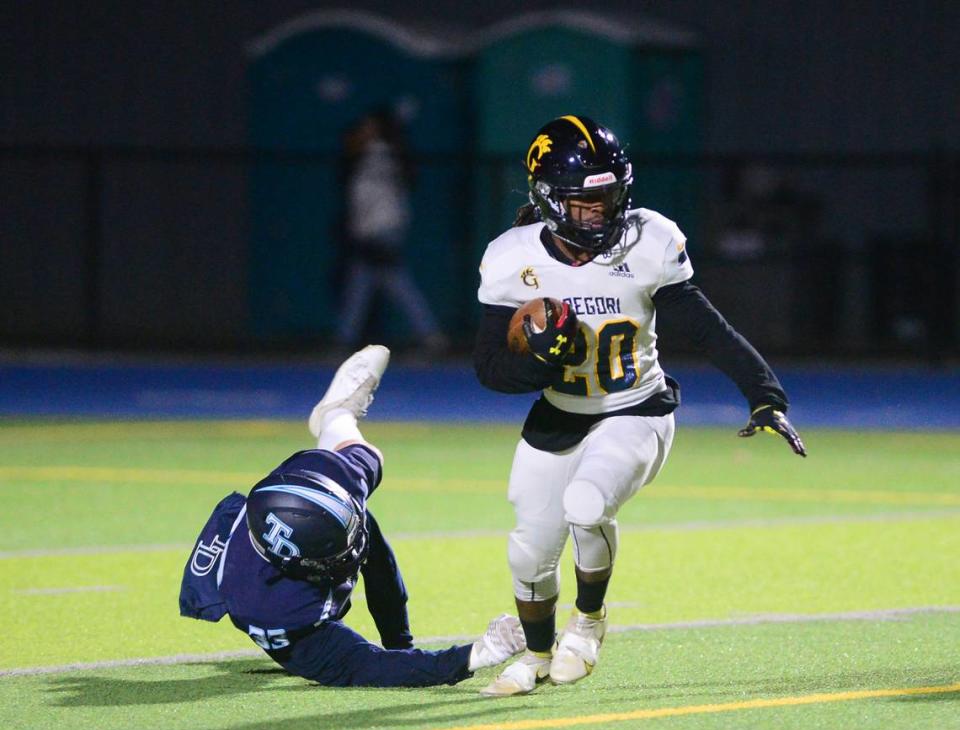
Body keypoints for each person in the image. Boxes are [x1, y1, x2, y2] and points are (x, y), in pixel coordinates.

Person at [473, 115, 806, 697]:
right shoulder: (511, 258)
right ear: (549, 200)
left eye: (610, 198)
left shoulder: (649, 240)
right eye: (585, 203)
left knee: (586, 501)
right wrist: (543, 363)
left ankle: (590, 622)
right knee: (528, 551)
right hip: (560, 413)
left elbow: (708, 330)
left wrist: (764, 395)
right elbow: (491, 370)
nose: (601, 213)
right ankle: (537, 653)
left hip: (637, 408)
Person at [180, 344, 524, 686]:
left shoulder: (330, 480)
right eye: (338, 552)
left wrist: (399, 642)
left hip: (309, 500)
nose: (354, 551)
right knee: (367, 664)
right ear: (303, 567)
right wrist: (480, 653)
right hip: (286, 610)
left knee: (365, 458)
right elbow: (373, 666)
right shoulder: (275, 612)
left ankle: (334, 413)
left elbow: (360, 467)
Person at [335, 110, 449, 355]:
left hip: (381, 230)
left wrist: (370, 232)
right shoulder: (368, 156)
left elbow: (379, 199)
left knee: (393, 283)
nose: (362, 133)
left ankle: (431, 336)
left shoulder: (380, 154)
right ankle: (345, 338)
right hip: (373, 230)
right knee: (364, 284)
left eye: (368, 128)